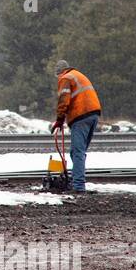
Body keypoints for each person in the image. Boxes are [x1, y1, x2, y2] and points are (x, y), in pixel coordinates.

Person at [50, 60, 101, 193]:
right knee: (80, 151)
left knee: (77, 152)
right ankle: (77, 180)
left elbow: (63, 99)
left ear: (59, 72)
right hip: (93, 114)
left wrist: (59, 119)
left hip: (81, 115)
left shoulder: (65, 78)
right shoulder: (78, 74)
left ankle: (78, 186)